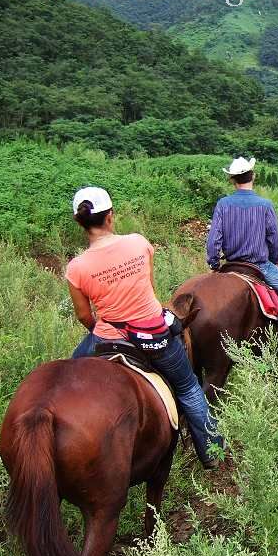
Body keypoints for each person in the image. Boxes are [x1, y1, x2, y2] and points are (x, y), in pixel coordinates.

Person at [66, 186, 224, 469]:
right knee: (188, 388)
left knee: (66, 379)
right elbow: (150, 289)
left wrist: (102, 329)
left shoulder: (76, 267)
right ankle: (211, 451)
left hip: (108, 338)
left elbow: (83, 316)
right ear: (110, 216)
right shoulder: (139, 243)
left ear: (80, 222)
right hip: (155, 335)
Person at [206, 156, 278, 361]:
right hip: (259, 266)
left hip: (231, 265)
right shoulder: (265, 204)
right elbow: (274, 238)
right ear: (253, 176)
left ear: (233, 180)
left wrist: (215, 263)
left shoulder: (223, 204)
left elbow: (213, 238)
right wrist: (273, 258)